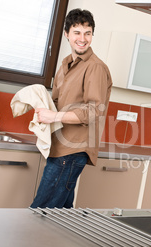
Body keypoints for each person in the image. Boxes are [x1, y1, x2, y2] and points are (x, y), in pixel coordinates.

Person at [30, 9, 112, 208]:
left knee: (41, 211)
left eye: (88, 33)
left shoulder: (95, 67)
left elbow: (94, 111)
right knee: (62, 216)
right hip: (60, 147)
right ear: (67, 34)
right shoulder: (66, 64)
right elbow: (56, 102)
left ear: (92, 35)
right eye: (77, 32)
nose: (82, 38)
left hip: (73, 150)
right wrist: (43, 112)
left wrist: (54, 115)